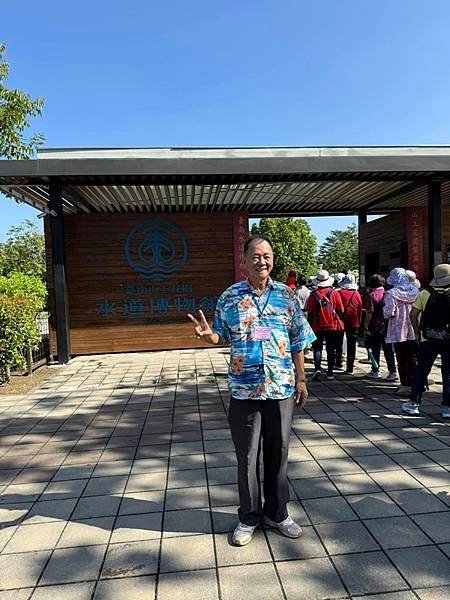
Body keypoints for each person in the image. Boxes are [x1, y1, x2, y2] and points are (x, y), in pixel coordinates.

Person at [187, 235, 315, 546]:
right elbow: (221, 335)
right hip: (244, 391)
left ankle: (278, 513)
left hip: (281, 386)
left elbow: (298, 341)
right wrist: (209, 337)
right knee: (247, 456)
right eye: (255, 256)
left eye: (267, 256)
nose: (262, 261)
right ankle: (248, 516)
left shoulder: (287, 296)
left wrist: (301, 379)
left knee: (278, 453)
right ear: (243, 261)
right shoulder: (229, 298)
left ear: (273, 260)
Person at [402, 263, 450, 418]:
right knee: (448, 374)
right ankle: (447, 408)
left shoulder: (425, 293)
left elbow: (413, 315)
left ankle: (414, 403)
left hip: (428, 339)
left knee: (421, 371)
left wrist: (417, 333)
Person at [383, 267, 419, 396]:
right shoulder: (415, 291)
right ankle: (418, 383)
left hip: (398, 330)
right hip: (414, 328)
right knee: (413, 357)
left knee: (401, 358)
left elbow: (389, 312)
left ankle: (405, 385)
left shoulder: (391, 293)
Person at [305, 269, 344, 381]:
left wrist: (310, 325)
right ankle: (330, 372)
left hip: (317, 325)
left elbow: (310, 312)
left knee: (317, 348)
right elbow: (340, 309)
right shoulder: (334, 293)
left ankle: (317, 368)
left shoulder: (313, 295)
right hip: (332, 325)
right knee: (331, 349)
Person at [363, 274, 397, 379]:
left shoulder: (371, 295)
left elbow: (369, 314)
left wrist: (365, 327)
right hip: (388, 325)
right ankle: (392, 371)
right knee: (388, 349)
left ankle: (375, 370)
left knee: (375, 348)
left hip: (375, 326)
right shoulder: (388, 294)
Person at [336, 273, 362, 374]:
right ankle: (350, 367)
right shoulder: (357, 294)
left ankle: (338, 362)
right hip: (354, 322)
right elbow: (359, 309)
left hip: (340, 321)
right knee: (352, 345)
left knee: (338, 343)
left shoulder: (339, 293)